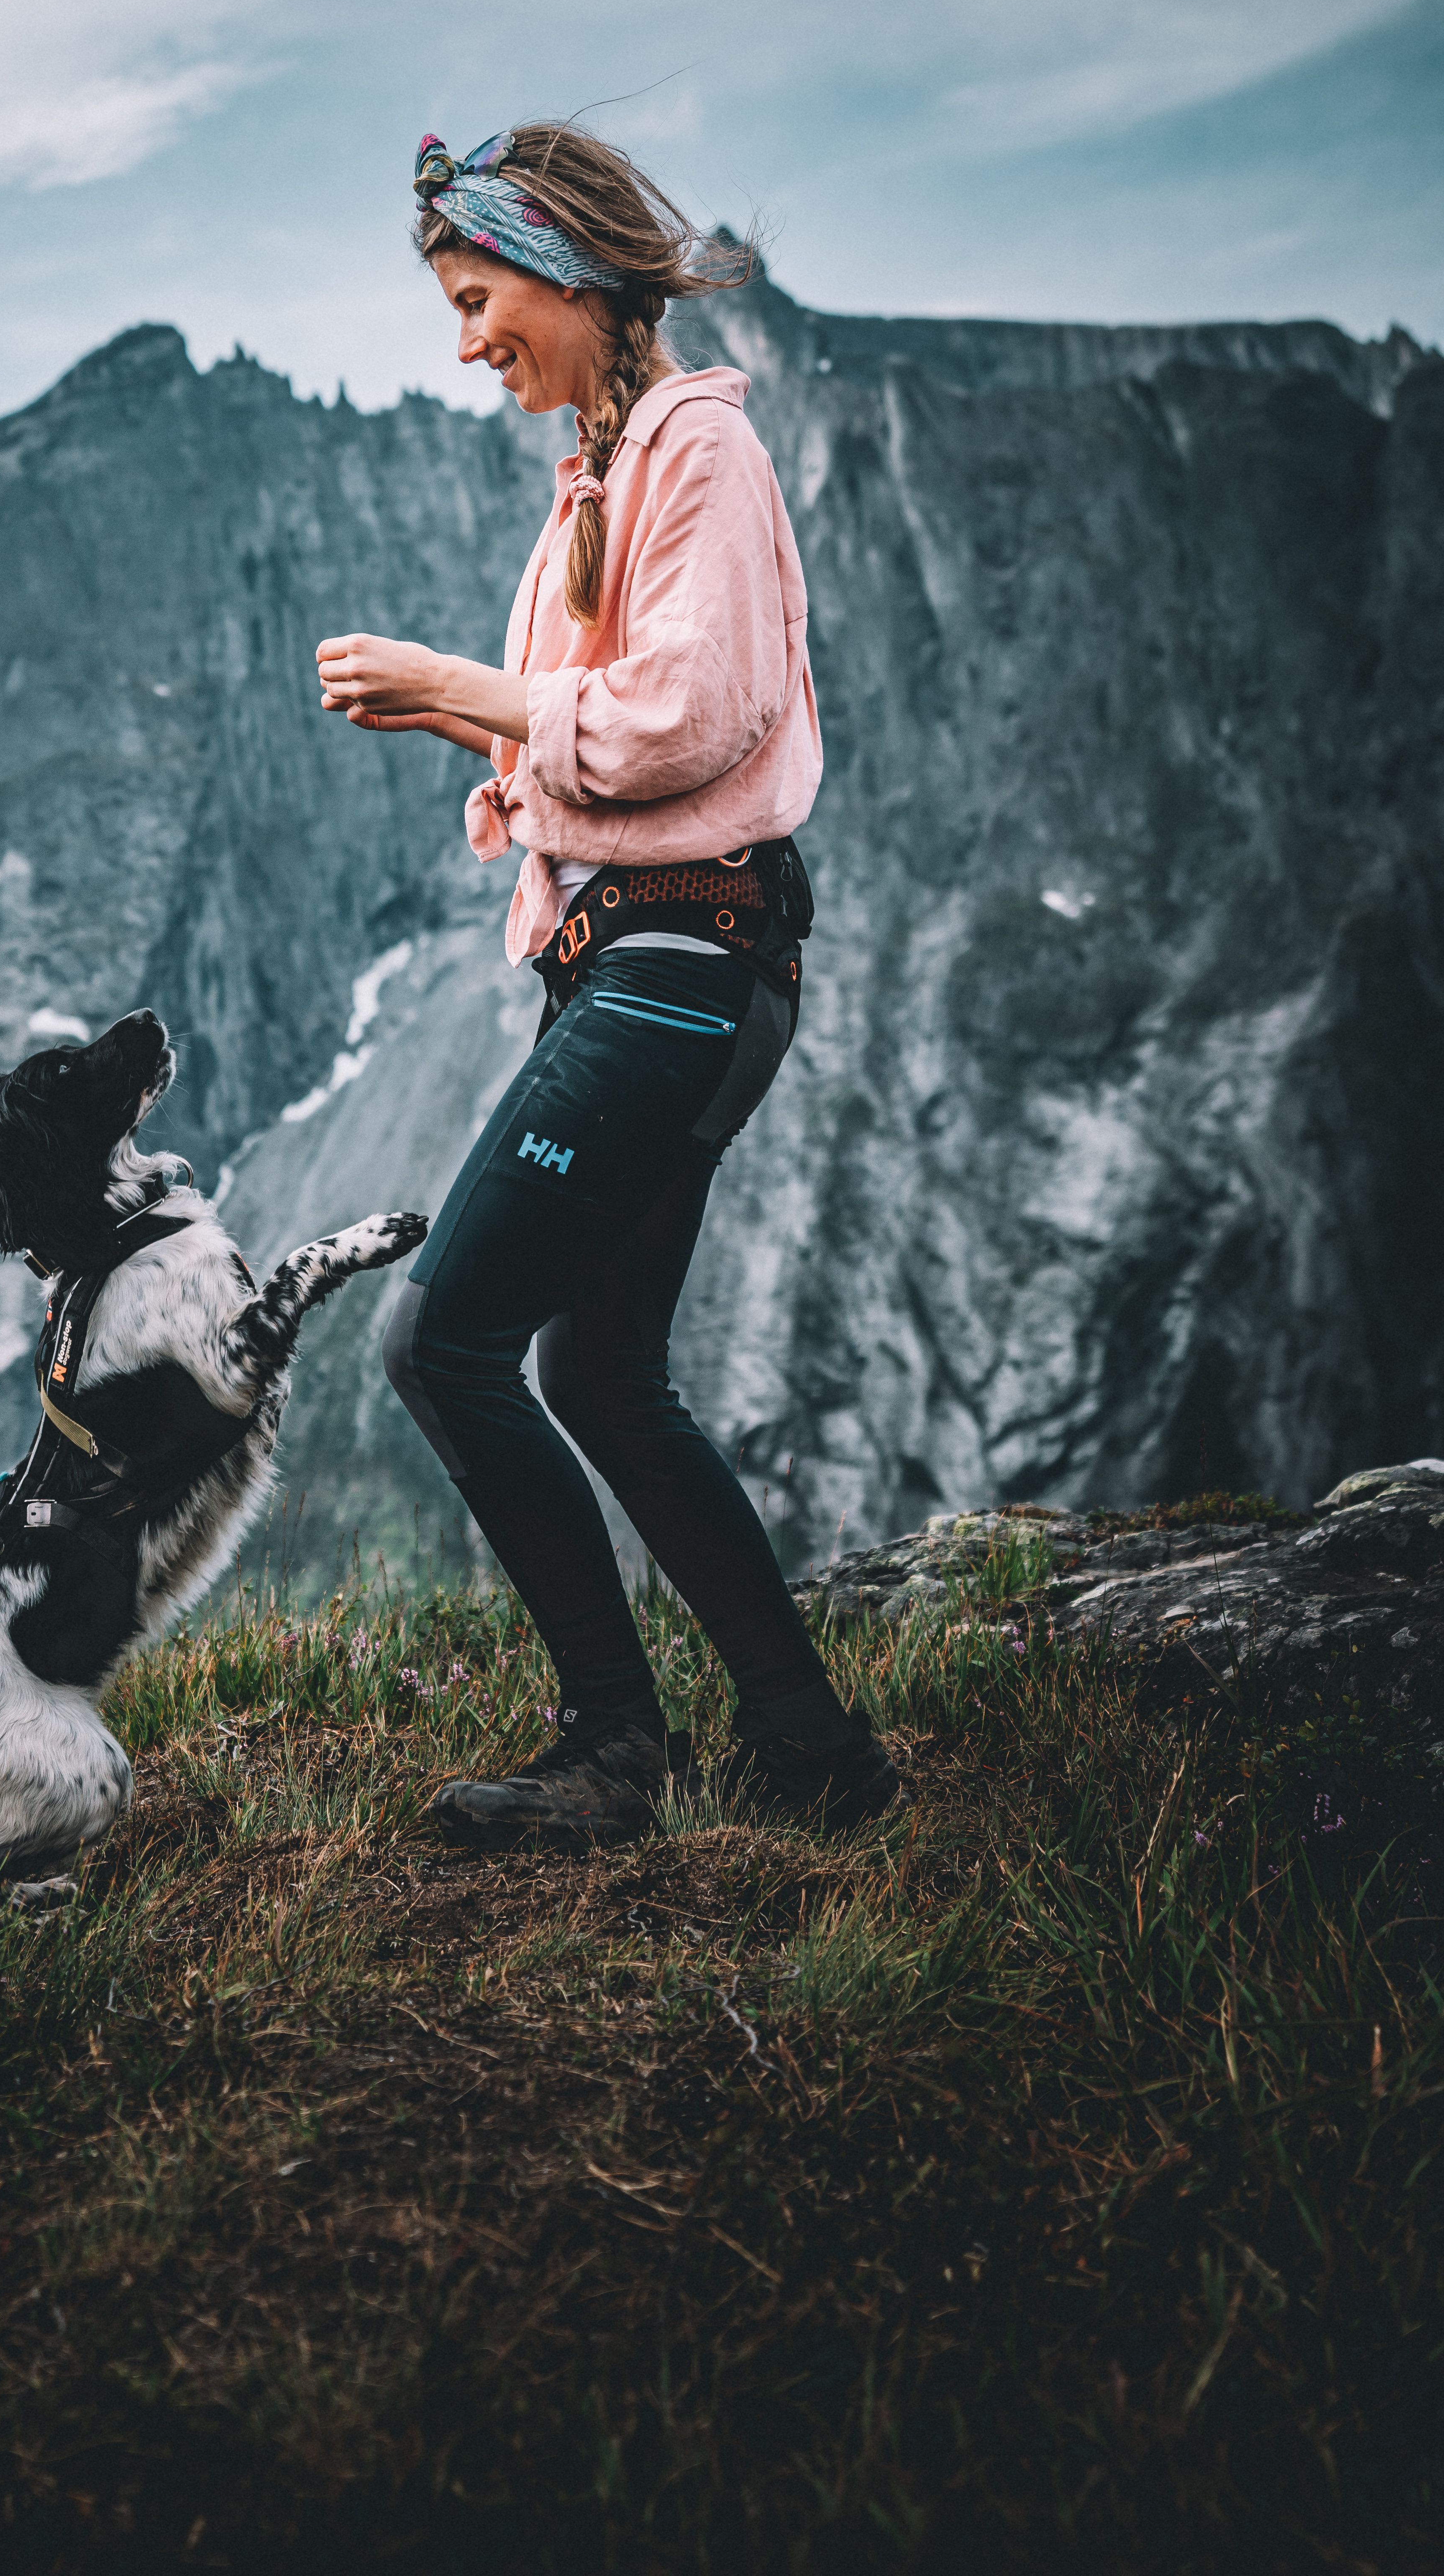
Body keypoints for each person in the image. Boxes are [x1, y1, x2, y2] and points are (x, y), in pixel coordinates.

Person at [315, 121, 898, 1849]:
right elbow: (610, 742)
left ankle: (613, 1753)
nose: (469, 336)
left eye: (480, 296)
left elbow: (683, 722)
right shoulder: (603, 475)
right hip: (649, 966)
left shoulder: (695, 455)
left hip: (678, 960)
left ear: (567, 271)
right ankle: (809, 1743)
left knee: (449, 1336)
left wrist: (469, 690)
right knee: (601, 1370)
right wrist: (471, 720)